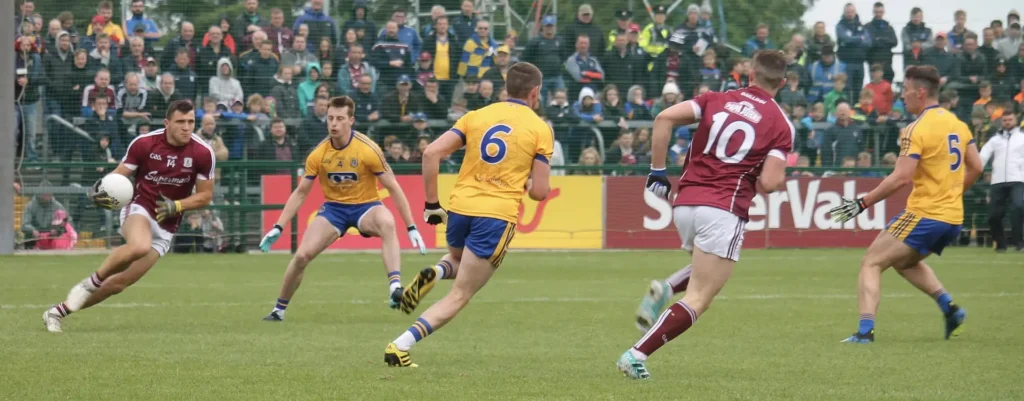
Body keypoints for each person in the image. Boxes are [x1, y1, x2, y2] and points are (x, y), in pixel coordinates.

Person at [619, 50, 794, 379]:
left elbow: (663, 119)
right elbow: (770, 182)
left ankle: (667, 287)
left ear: (750, 74)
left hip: (685, 202)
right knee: (702, 296)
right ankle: (636, 354)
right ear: (782, 83)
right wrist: (774, 176)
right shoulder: (780, 123)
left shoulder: (715, 99)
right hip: (724, 207)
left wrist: (658, 173)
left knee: (703, 269)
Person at [383, 62, 552, 367]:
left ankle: (436, 271)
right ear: (535, 92)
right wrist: (525, 180)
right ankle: (400, 345)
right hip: (496, 215)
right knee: (461, 294)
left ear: (505, 88)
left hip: (460, 208)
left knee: (460, 261)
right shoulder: (540, 128)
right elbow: (540, 192)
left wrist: (432, 204)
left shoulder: (476, 116)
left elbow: (431, 152)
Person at [828, 65, 981, 344]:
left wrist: (863, 202)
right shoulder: (958, 124)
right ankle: (950, 309)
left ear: (920, 92)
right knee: (904, 263)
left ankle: (864, 333)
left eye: (906, 90)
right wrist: (953, 194)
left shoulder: (916, 128)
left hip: (925, 213)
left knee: (871, 262)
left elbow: (901, 177)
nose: (903, 96)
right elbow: (977, 166)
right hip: (952, 217)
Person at [42, 100, 216, 333]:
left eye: (191, 122)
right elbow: (119, 175)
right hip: (140, 208)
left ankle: (57, 312)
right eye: (180, 122)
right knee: (139, 246)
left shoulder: (203, 152)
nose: (187, 127)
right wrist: (102, 190)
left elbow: (205, 196)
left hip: (168, 224)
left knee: (118, 284)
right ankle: (91, 282)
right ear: (167, 123)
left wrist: (176, 206)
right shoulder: (144, 144)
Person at [258, 96, 426, 322]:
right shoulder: (319, 153)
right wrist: (278, 226)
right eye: (330, 119)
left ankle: (395, 287)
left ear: (351, 120)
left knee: (387, 223)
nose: (333, 124)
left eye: (339, 119)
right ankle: (279, 310)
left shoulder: (368, 149)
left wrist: (412, 227)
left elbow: (393, 187)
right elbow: (301, 192)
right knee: (301, 256)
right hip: (334, 209)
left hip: (366, 205)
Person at [979, 111, 1024, 252]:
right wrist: (976, 169)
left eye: (1010, 119)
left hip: (1018, 179)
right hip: (997, 180)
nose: (1008, 122)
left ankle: (1019, 243)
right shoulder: (995, 140)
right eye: (1005, 120)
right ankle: (1001, 244)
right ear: (1001, 122)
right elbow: (983, 156)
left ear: (1015, 120)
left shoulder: (1022, 138)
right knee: (994, 215)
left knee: (1017, 208)